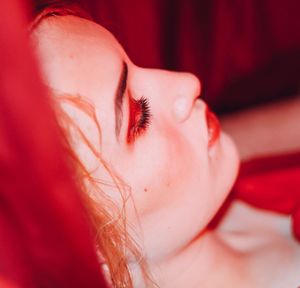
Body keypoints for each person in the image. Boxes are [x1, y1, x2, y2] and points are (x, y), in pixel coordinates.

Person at [29, 2, 300, 287]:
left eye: (134, 63)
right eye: (139, 117)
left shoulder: (221, 179)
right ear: (87, 250)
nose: (188, 83)